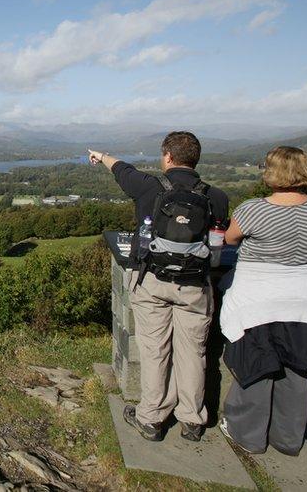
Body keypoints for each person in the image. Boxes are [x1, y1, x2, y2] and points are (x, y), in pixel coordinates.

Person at [88, 131, 229, 442]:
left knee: (155, 350)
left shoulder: (150, 187)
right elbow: (217, 250)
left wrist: (101, 155)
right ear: (195, 159)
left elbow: (121, 169)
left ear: (167, 156)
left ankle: (151, 418)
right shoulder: (216, 197)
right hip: (195, 285)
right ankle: (192, 418)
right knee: (194, 350)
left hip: (152, 280)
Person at [218, 146, 307, 456]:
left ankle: (247, 434)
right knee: (297, 368)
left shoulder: (253, 209)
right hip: (305, 295)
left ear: (273, 172)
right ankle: (289, 438)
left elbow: (229, 239)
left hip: (258, 296)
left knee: (258, 364)